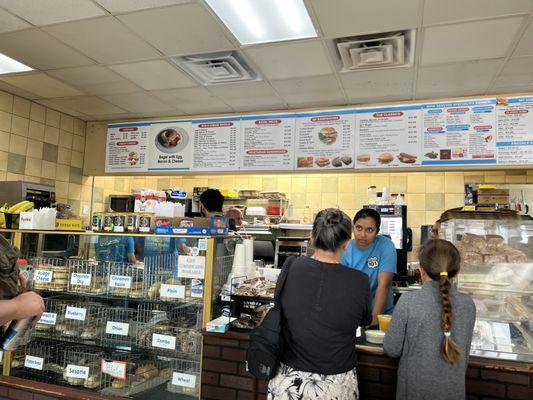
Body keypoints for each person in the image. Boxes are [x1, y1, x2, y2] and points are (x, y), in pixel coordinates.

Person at [268, 208, 372, 400]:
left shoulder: (291, 266)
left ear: (312, 237)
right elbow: (365, 320)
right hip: (336, 387)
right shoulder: (360, 281)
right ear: (348, 243)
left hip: (288, 384)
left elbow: (279, 305)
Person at [383, 239, 476, 400]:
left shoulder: (408, 301)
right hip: (454, 392)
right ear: (458, 270)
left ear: (421, 269)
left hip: (413, 392)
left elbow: (391, 349)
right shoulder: (468, 304)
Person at [341, 208, 397, 326]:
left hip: (382, 316)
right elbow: (342, 287)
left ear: (377, 231)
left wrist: (375, 320)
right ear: (353, 227)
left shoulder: (385, 246)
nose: (362, 235)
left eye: (369, 230)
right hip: (354, 315)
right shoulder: (345, 248)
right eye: (358, 228)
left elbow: (384, 284)